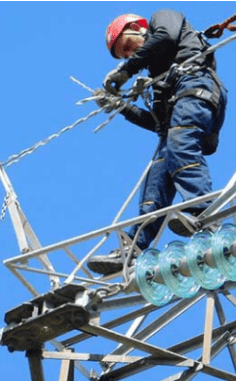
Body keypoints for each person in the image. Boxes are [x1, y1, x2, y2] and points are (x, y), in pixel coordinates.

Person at [87, 10, 228, 275]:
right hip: (180, 109)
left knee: (180, 145)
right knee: (157, 178)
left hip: (196, 90)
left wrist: (126, 70)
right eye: (126, 55)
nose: (131, 55)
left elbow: (164, 37)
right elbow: (159, 124)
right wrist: (121, 107)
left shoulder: (162, 19)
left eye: (128, 47)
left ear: (137, 27)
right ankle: (132, 249)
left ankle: (206, 215)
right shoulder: (158, 75)